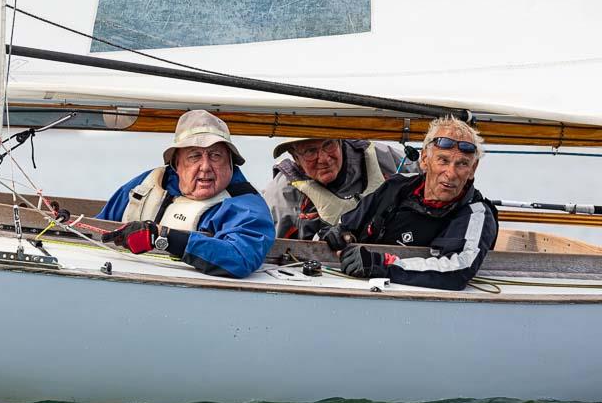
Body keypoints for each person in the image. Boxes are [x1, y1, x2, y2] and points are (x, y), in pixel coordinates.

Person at [319, 116, 498, 290]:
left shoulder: (476, 214)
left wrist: (384, 266)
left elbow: (457, 271)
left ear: (473, 169)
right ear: (425, 159)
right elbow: (348, 225)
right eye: (443, 160)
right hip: (355, 286)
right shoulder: (396, 187)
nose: (451, 173)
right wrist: (338, 233)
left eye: (462, 164)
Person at [97, 110, 275, 278]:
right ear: (176, 164)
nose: (205, 167)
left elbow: (241, 257)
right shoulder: (146, 183)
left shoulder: (246, 206)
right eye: (194, 156)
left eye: (215, 155)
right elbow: (99, 230)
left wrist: (163, 236)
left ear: (230, 161)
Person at [263, 137, 410, 240]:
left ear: (340, 141)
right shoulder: (280, 194)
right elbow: (272, 251)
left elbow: (425, 171)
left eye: (328, 144)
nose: (324, 159)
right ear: (295, 158)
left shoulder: (381, 157)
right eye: (310, 151)